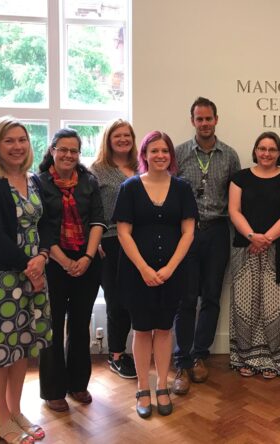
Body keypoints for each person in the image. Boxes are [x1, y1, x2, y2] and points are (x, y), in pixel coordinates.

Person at [0, 116, 51, 443]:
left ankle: (15, 411)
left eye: (22, 140)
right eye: (9, 141)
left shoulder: (34, 181)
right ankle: (1, 421)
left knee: (22, 347)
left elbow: (45, 225)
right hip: (0, 278)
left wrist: (42, 258)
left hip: (34, 273)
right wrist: (29, 267)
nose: (17, 146)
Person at [113, 131, 197, 418]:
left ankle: (162, 384)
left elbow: (188, 232)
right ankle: (142, 387)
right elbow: (123, 232)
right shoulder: (130, 187)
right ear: (145, 155)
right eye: (154, 150)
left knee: (163, 329)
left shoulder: (183, 189)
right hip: (138, 272)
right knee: (141, 329)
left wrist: (170, 267)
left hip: (173, 271)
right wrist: (145, 269)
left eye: (165, 151)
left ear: (171, 156)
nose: (160, 155)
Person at [172, 97, 241, 394]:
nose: (204, 123)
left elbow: (236, 197)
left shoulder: (230, 156)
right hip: (186, 233)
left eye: (208, 118)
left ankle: (200, 355)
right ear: (192, 121)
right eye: (199, 119)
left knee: (211, 297)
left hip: (216, 233)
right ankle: (181, 360)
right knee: (185, 299)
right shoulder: (179, 153)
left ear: (216, 119)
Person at [38, 128, 106, 412]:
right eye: (62, 149)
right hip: (53, 264)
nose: (68, 155)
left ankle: (78, 384)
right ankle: (53, 390)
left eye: (74, 150)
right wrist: (65, 262)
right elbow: (42, 229)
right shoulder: (38, 183)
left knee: (79, 325)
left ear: (79, 154)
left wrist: (88, 258)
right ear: (52, 150)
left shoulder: (89, 181)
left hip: (87, 263)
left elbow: (97, 222)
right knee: (52, 327)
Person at [228, 131, 280, 378]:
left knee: (276, 306)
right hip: (245, 248)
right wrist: (252, 237)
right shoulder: (240, 178)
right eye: (262, 148)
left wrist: (266, 238)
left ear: (279, 152)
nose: (266, 153)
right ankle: (246, 358)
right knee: (245, 305)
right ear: (255, 151)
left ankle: (275, 359)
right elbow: (234, 211)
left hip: (279, 250)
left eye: (272, 149)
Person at [90, 119, 138, 379]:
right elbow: (89, 209)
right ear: (108, 140)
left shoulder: (141, 167)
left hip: (139, 242)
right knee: (116, 301)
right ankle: (116, 355)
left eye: (127, 135)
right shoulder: (97, 171)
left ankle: (136, 351)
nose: (123, 140)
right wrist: (93, 240)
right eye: (117, 136)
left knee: (135, 300)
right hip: (109, 242)